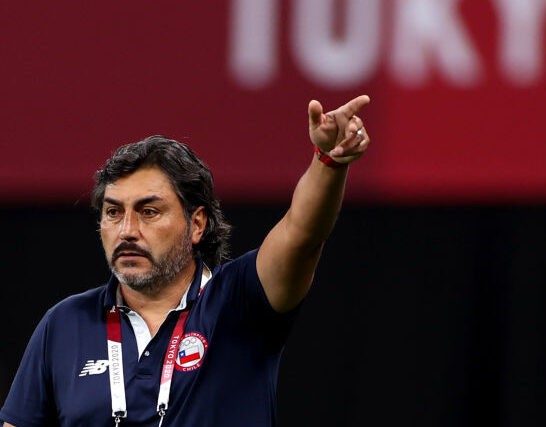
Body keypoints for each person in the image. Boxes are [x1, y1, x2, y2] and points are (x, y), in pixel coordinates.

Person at [0, 95, 371, 427]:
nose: (127, 230)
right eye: (113, 212)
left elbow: (302, 235)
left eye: (148, 211)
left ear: (196, 224)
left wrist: (328, 162)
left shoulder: (240, 301)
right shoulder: (64, 324)